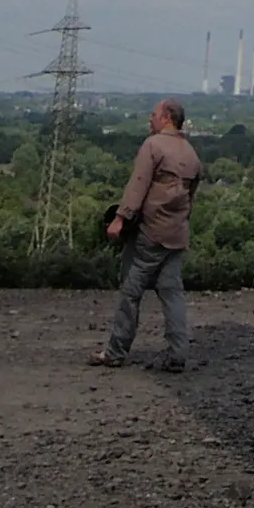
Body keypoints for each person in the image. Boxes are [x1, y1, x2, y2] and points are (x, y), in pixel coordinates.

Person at [91, 97, 201, 372]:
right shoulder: (190, 153)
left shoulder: (153, 146)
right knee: (172, 293)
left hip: (149, 232)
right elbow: (191, 197)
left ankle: (116, 351)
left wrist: (120, 218)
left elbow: (138, 184)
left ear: (166, 117)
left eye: (153, 114)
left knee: (130, 290)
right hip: (176, 233)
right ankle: (177, 354)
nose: (149, 119)